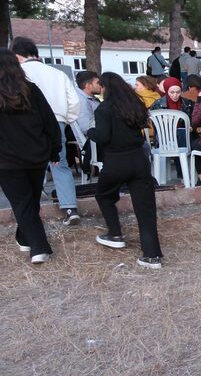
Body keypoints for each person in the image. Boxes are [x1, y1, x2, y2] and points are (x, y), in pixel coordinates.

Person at [87, 73, 164, 269]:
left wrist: (90, 132)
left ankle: (115, 233)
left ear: (106, 88)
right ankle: (152, 255)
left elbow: (103, 137)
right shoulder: (135, 105)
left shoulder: (104, 109)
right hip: (139, 159)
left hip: (116, 161)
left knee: (104, 195)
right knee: (145, 208)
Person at [0, 47, 60, 265]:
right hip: (36, 155)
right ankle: (24, 237)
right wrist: (54, 148)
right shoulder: (31, 90)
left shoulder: (31, 90)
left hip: (7, 160)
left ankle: (39, 247)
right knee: (29, 200)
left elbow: (48, 120)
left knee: (24, 203)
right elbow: (49, 121)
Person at [11, 36, 80, 224]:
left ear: (16, 56)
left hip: (25, 125)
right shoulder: (57, 73)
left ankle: (32, 210)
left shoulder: (17, 74)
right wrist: (66, 120)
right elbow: (74, 102)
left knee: (27, 167)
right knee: (61, 165)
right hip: (57, 122)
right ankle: (70, 208)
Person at [150, 77, 195, 149]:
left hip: (184, 136)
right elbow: (156, 126)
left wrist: (191, 126)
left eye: (178, 92)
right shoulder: (158, 105)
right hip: (165, 138)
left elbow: (193, 119)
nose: (175, 95)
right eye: (172, 92)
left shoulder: (187, 103)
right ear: (166, 90)